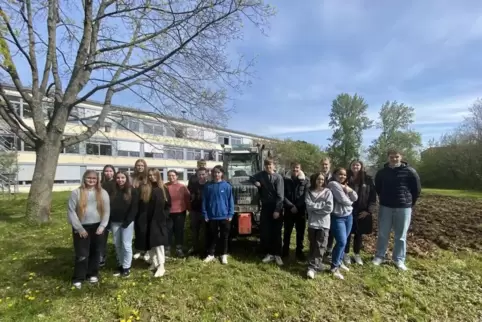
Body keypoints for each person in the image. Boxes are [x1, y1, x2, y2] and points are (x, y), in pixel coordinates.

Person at [373, 149, 421, 271]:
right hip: (386, 207)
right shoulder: (382, 173)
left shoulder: (410, 172)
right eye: (391, 157)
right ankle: (379, 256)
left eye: (396, 157)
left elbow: (416, 190)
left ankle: (399, 259)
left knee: (401, 236)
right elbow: (378, 188)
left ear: (401, 157)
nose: (394, 159)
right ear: (388, 158)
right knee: (383, 233)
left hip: (403, 207)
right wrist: (384, 198)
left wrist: (409, 202)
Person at [67, 170, 110, 289]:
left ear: (98, 180)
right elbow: (71, 212)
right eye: (89, 178)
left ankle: (92, 274)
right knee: (82, 254)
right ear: (84, 178)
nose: (91, 180)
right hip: (81, 227)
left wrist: (102, 226)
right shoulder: (76, 193)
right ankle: (78, 277)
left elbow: (106, 211)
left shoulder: (103, 193)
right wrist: (79, 228)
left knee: (96, 252)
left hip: (98, 227)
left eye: (94, 178)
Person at [250, 158, 285, 266]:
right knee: (266, 231)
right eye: (266, 165)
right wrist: (255, 182)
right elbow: (251, 177)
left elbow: (280, 196)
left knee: (276, 232)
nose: (268, 167)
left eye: (270, 165)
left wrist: (277, 210)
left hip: (276, 207)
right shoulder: (261, 175)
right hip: (265, 207)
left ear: (274, 166)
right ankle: (269, 253)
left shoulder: (278, 178)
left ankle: (277, 254)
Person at [344, 160, 377, 266]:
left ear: (361, 166)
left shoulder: (368, 179)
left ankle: (357, 254)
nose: (355, 166)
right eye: (353, 164)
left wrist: (368, 211)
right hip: (348, 211)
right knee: (347, 233)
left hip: (362, 211)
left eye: (357, 165)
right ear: (350, 166)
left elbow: (372, 196)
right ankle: (346, 254)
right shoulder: (345, 178)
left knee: (359, 234)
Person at [327, 168, 358, 280]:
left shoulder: (344, 186)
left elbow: (356, 196)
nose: (342, 176)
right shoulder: (333, 184)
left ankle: (339, 262)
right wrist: (350, 202)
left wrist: (349, 190)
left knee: (344, 241)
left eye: (344, 175)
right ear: (335, 174)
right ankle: (334, 267)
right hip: (337, 217)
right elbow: (343, 200)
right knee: (341, 241)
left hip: (348, 216)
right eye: (340, 174)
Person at [202, 165, 234, 264]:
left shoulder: (227, 186)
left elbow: (230, 201)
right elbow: (204, 201)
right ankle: (211, 254)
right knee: (212, 235)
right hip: (212, 216)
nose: (216, 174)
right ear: (212, 174)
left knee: (224, 236)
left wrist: (230, 214)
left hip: (224, 216)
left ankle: (224, 254)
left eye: (218, 172)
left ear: (222, 174)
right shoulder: (208, 186)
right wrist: (205, 214)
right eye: (215, 172)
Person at [142, 168, 171, 277]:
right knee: (151, 243)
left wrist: (164, 216)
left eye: (154, 175)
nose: (151, 177)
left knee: (159, 243)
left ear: (158, 175)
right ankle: (154, 262)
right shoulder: (146, 188)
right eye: (149, 175)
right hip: (148, 220)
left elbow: (168, 205)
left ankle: (161, 266)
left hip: (159, 220)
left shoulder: (163, 188)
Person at [110, 171, 139, 278]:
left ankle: (126, 267)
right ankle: (121, 265)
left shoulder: (133, 191)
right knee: (117, 245)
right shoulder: (113, 191)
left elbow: (134, 208)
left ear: (126, 179)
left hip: (127, 222)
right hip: (114, 222)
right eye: (118, 178)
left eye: (122, 178)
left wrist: (127, 221)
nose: (120, 180)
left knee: (126, 245)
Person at [305, 172, 333, 279]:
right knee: (313, 244)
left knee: (321, 246)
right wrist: (321, 206)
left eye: (322, 179)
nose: (320, 181)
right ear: (314, 180)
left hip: (324, 224)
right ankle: (316, 263)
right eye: (318, 179)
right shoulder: (309, 192)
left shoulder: (328, 192)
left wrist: (315, 208)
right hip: (312, 223)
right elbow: (308, 206)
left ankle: (312, 268)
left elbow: (329, 208)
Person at [282, 162, 308, 260]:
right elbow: (282, 195)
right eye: (293, 167)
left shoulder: (306, 181)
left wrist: (297, 206)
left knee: (300, 233)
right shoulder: (285, 180)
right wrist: (291, 206)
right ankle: (285, 251)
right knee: (287, 232)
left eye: (297, 168)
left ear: (300, 168)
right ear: (290, 168)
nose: (295, 169)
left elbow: (306, 195)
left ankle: (299, 252)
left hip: (301, 211)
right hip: (289, 210)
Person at [166, 170, 190, 257]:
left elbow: (187, 198)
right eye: (169, 175)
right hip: (168, 213)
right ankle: (167, 249)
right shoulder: (165, 186)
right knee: (168, 231)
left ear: (177, 176)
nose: (171, 177)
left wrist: (189, 209)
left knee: (179, 231)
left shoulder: (182, 187)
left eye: (173, 175)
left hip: (180, 212)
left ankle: (178, 248)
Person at [187, 166, 208, 256]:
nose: (201, 176)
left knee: (205, 232)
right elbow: (189, 196)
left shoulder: (209, 185)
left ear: (206, 174)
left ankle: (205, 249)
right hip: (195, 211)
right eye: (199, 174)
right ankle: (195, 248)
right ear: (197, 175)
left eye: (203, 174)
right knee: (195, 231)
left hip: (206, 212)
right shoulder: (193, 185)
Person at [132, 159, 150, 262]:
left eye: (142, 165)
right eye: (138, 165)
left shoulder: (148, 178)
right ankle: (138, 249)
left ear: (145, 166)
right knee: (137, 229)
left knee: (145, 229)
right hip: (135, 206)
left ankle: (147, 250)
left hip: (145, 206)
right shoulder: (133, 178)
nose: (140, 167)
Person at [99, 164, 116, 267]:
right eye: (106, 171)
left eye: (110, 171)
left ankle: (119, 256)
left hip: (114, 214)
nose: (108, 173)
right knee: (101, 237)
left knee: (117, 237)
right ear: (103, 172)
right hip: (103, 214)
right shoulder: (100, 184)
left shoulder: (117, 182)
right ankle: (101, 256)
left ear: (113, 172)